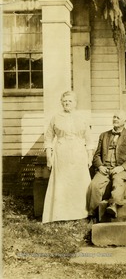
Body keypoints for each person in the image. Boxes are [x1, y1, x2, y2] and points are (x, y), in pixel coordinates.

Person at [43, 91, 93, 223]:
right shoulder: (55, 117)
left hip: (78, 152)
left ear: (75, 103)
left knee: (78, 181)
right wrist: (49, 157)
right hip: (62, 152)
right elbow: (48, 139)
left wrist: (89, 157)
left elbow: (89, 140)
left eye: (70, 101)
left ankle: (81, 214)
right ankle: (61, 215)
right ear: (61, 103)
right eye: (64, 101)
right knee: (63, 182)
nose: (67, 103)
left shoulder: (82, 118)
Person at [87, 110, 126, 221]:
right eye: (114, 117)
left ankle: (113, 205)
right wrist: (100, 166)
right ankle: (92, 214)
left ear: (125, 121)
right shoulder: (104, 135)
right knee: (94, 185)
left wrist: (121, 167)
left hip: (120, 168)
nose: (115, 119)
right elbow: (97, 155)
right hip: (104, 168)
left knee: (118, 182)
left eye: (118, 118)